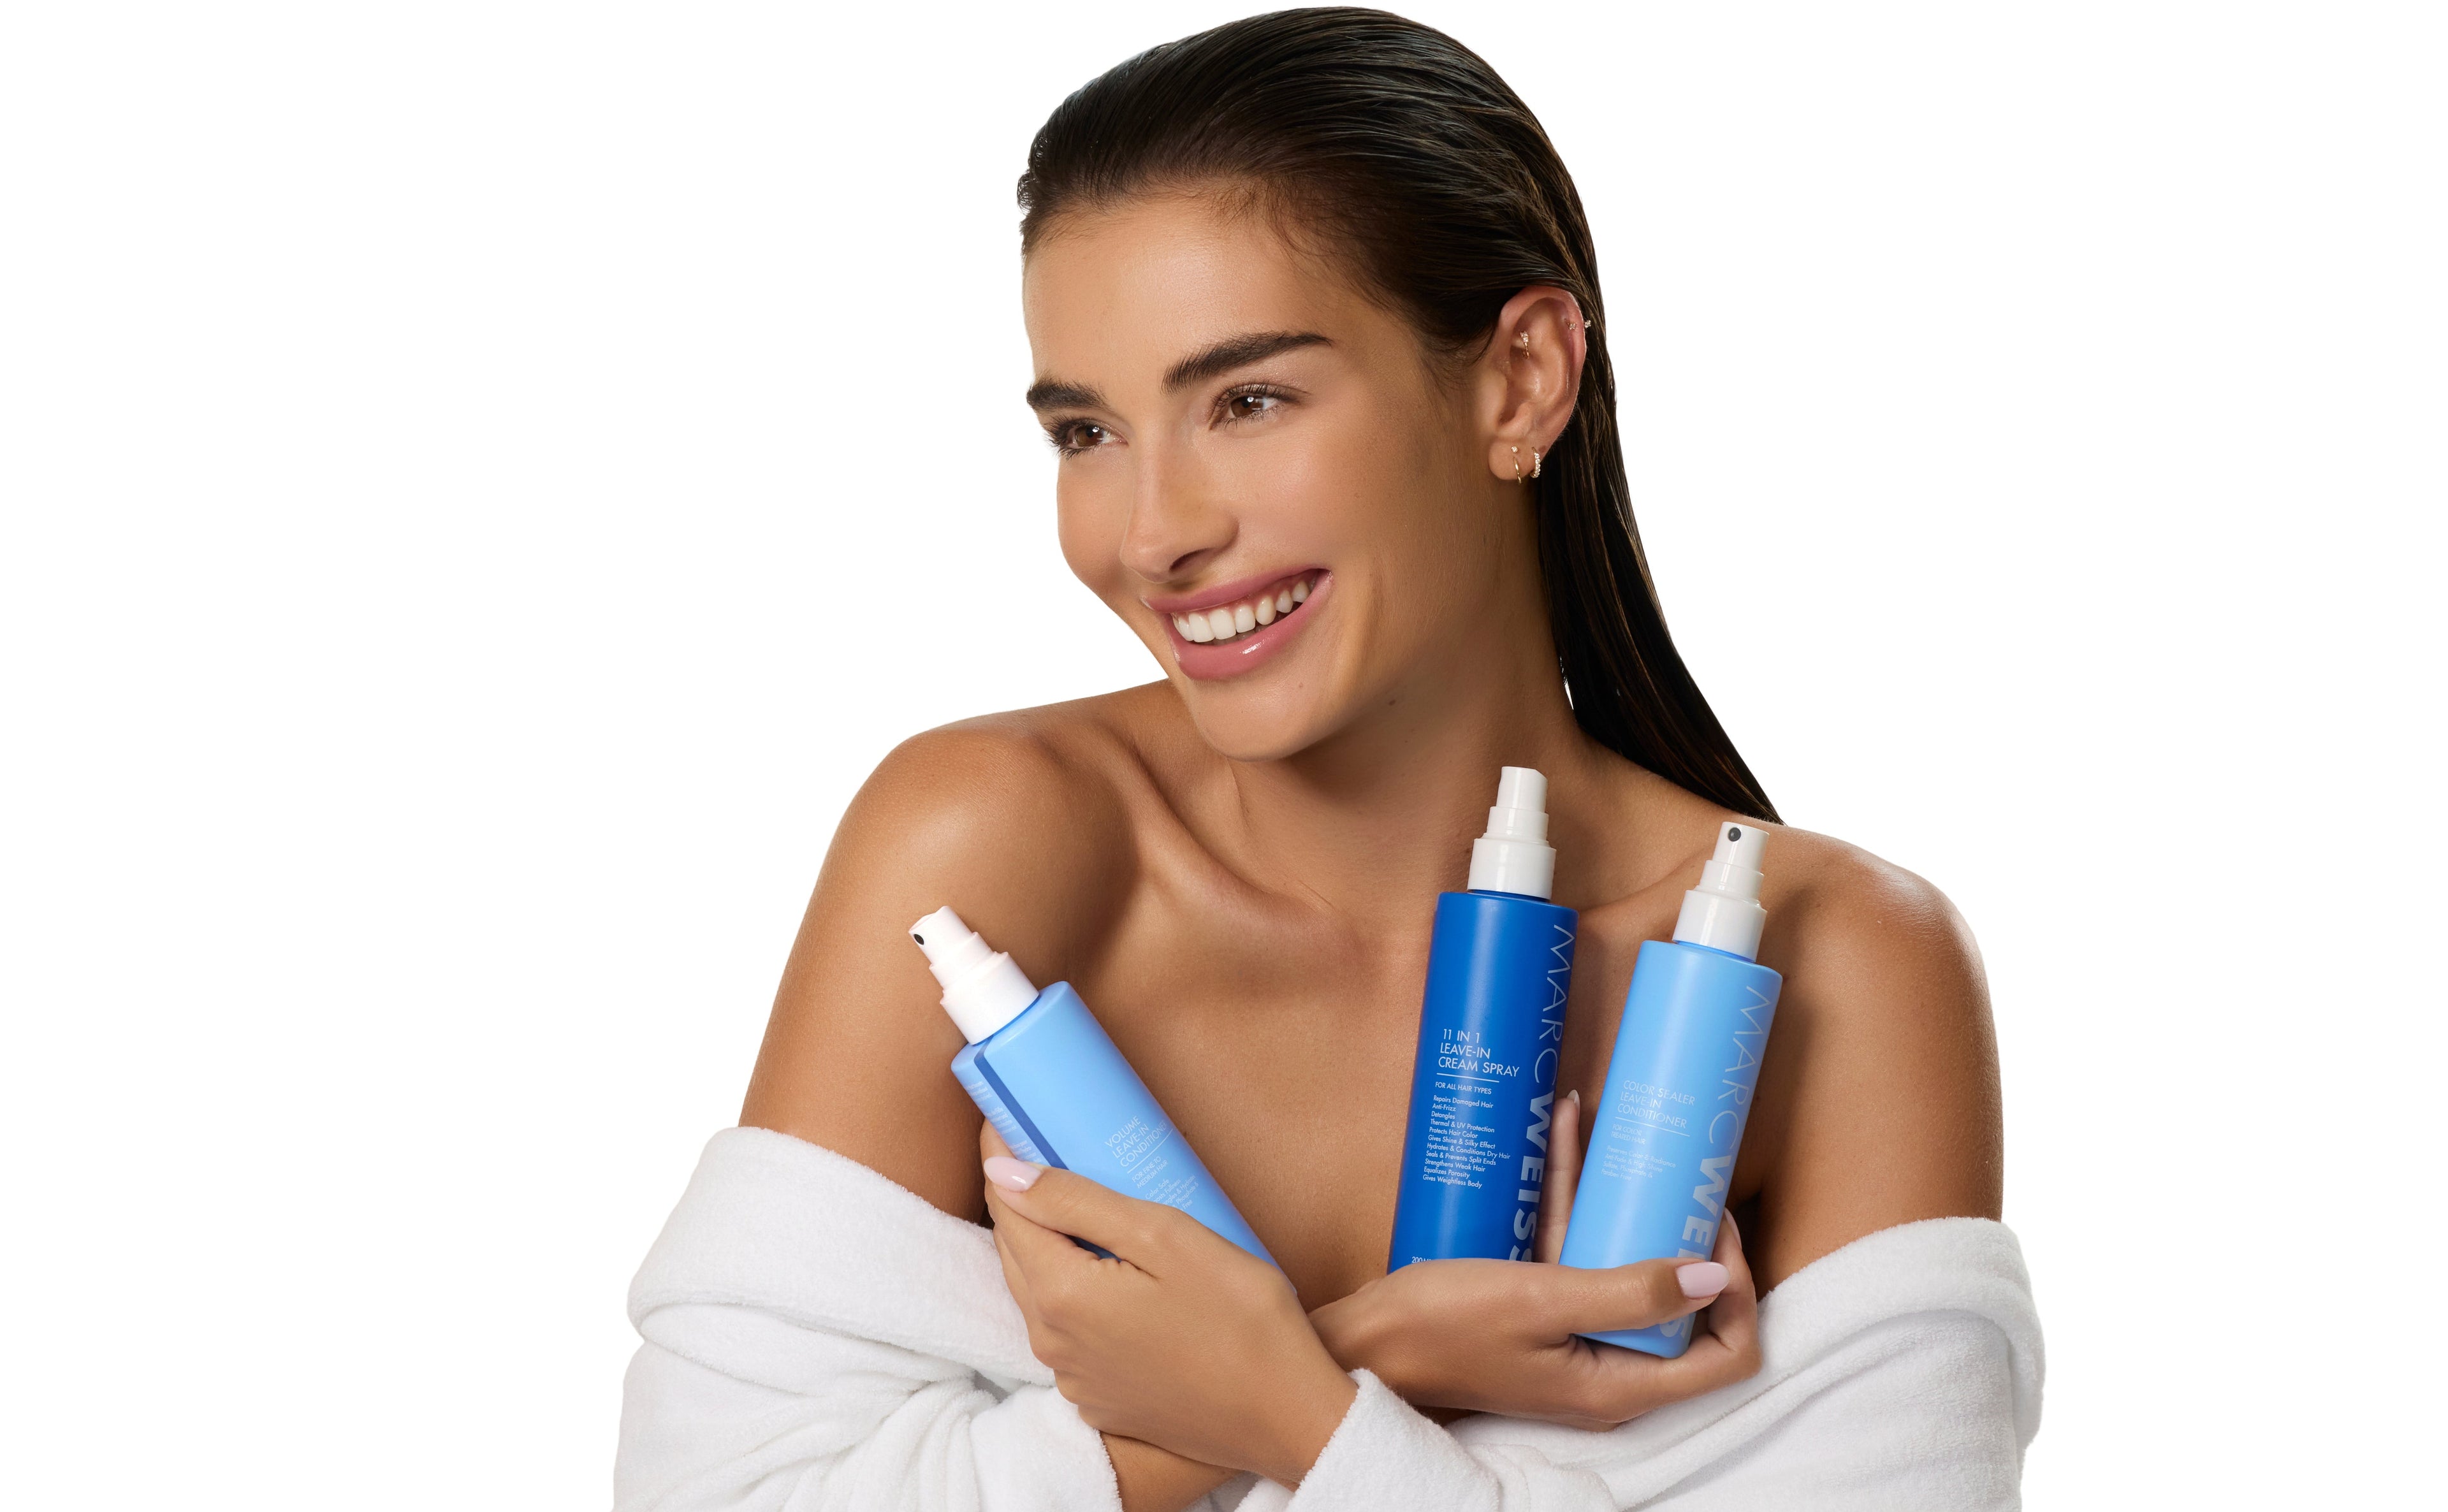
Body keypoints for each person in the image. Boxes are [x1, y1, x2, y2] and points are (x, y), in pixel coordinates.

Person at [623, 10, 2010, 1510]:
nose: (1153, 532)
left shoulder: (1838, 969)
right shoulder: (995, 850)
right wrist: (1367, 1360)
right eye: (1086, 432)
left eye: (1249, 401)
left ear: (1521, 380)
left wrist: (1288, 1404)